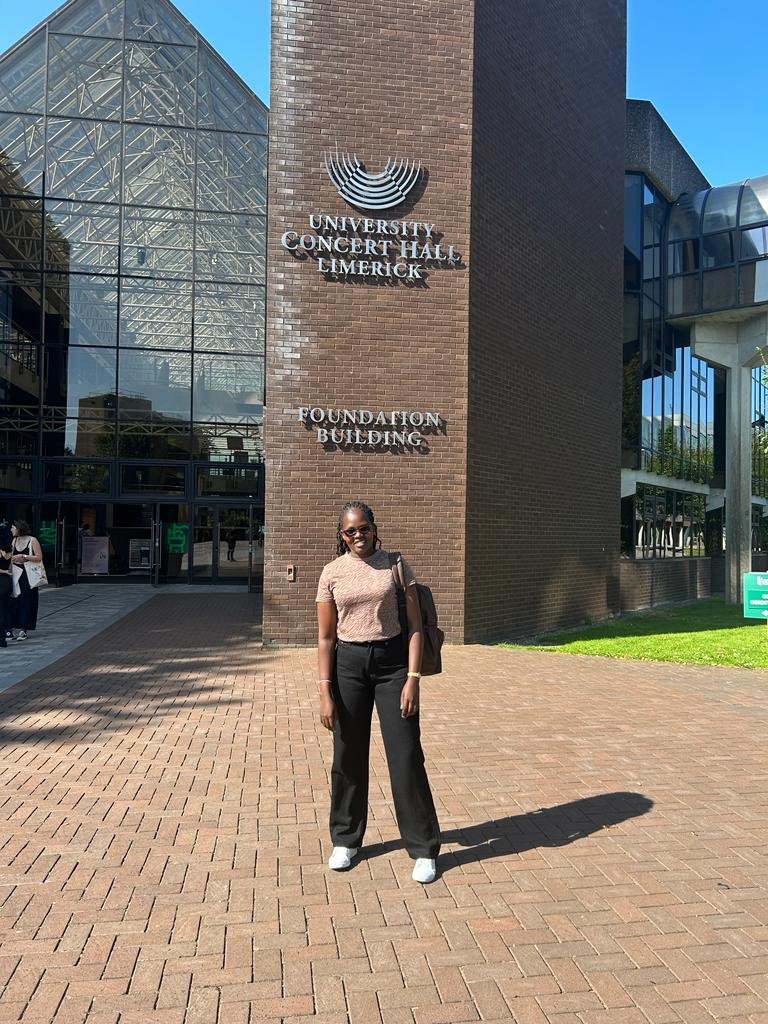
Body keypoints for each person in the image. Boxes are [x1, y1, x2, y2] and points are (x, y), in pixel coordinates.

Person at [316, 500, 440, 884]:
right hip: (348, 666)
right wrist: (325, 691)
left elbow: (416, 626)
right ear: (342, 535)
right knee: (348, 754)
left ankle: (422, 848)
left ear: (374, 527)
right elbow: (324, 637)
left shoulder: (396, 564)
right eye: (350, 530)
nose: (358, 535)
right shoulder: (331, 573)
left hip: (392, 664)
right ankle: (346, 839)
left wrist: (413, 677)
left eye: (364, 527)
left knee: (405, 755)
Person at [10, 520, 43, 641]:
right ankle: (13, 626)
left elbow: (39, 557)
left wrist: (23, 556)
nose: (11, 530)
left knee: (27, 600)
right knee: (15, 599)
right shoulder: (15, 540)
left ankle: (24, 628)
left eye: (13, 527)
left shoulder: (32, 540)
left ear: (19, 528)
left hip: (29, 575)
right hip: (16, 573)